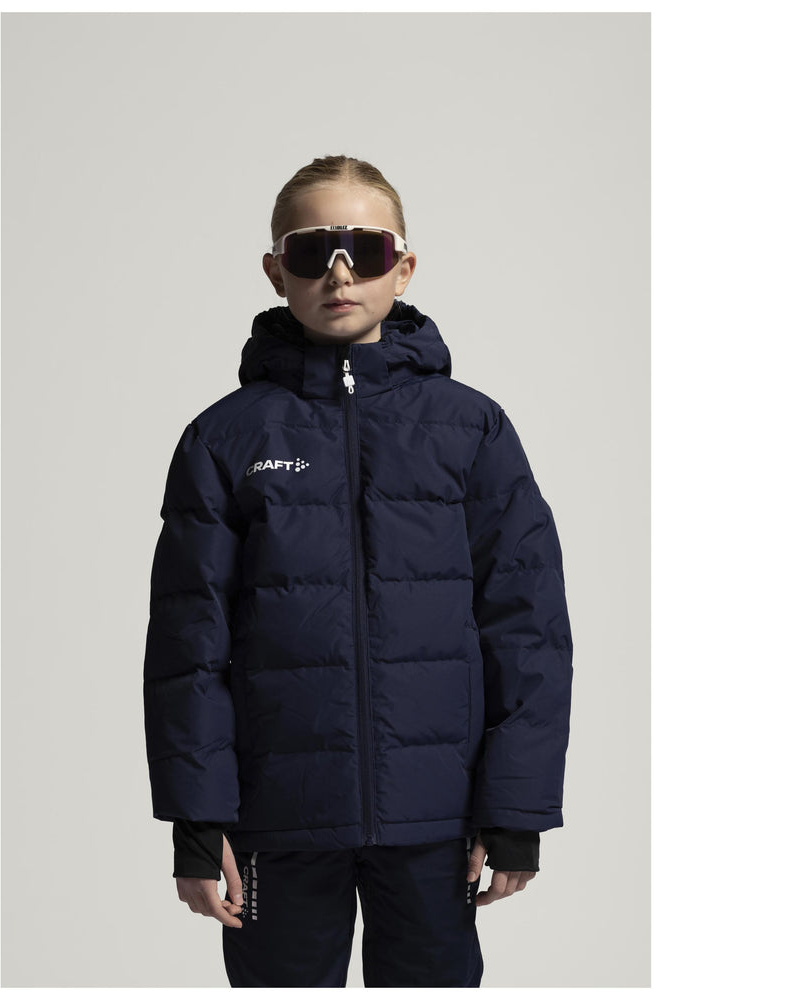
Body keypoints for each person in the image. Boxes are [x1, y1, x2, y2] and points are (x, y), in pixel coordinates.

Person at [142, 154, 574, 988]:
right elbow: (188, 647)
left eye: (365, 250)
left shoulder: (472, 430)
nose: (338, 274)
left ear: (402, 268)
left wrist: (516, 808)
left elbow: (528, 629)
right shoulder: (225, 439)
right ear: (276, 271)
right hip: (277, 817)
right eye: (312, 251)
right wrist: (197, 819)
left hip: (436, 819)